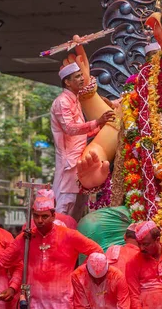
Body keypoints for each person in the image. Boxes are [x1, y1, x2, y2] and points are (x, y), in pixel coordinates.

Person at [0, 191, 103, 308]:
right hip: (34, 303)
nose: (40, 221)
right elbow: (1, 260)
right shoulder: (26, 238)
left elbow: (97, 253)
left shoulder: (69, 235)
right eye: (36, 216)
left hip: (64, 302)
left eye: (45, 216)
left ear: (53, 215)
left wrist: (79, 275)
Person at [50, 61, 115, 221]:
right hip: (69, 164)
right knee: (64, 207)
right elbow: (70, 128)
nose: (81, 79)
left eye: (81, 75)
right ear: (67, 81)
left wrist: (101, 128)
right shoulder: (62, 102)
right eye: (77, 76)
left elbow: (80, 133)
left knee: (79, 208)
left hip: (80, 160)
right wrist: (97, 122)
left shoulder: (76, 100)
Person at [125, 221, 162, 309]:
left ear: (157, 239)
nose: (141, 248)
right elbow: (134, 296)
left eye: (146, 244)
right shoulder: (132, 263)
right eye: (139, 244)